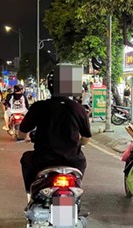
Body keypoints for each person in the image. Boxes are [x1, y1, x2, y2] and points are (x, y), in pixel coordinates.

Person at [18, 65, 91, 194]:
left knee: (26, 158)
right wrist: (77, 142)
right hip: (73, 160)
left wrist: (26, 137)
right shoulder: (79, 109)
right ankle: (75, 191)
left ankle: (31, 193)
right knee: (82, 164)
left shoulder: (39, 107)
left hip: (43, 160)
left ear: (50, 86)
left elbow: (22, 132)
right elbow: (85, 139)